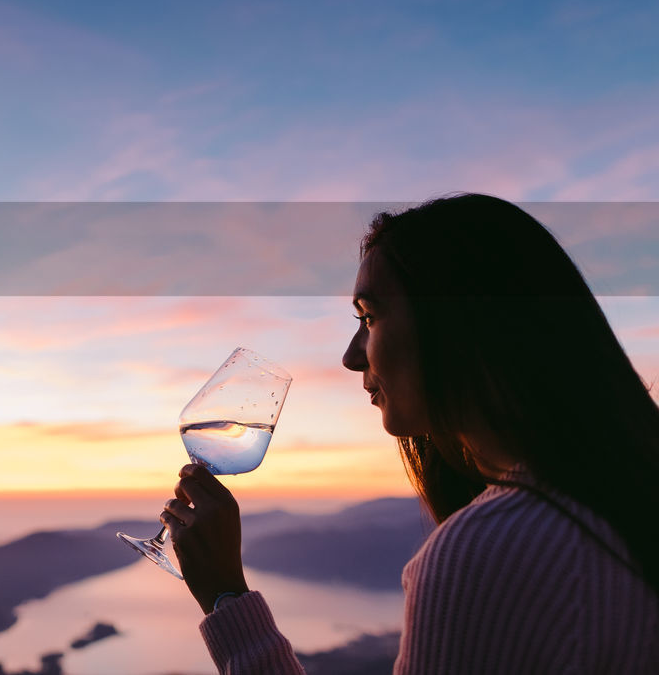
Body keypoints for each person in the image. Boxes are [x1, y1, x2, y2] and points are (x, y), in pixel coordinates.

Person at [162, 194, 659, 673]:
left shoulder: (488, 552)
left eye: (369, 317)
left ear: (461, 320)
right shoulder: (619, 498)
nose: (352, 356)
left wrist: (225, 596)